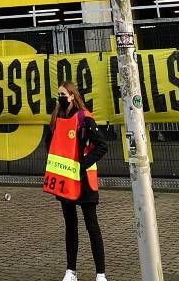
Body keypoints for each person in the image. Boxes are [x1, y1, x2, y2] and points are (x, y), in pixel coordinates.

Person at [43, 82, 108, 281]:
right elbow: (49, 143)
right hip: (65, 180)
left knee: (92, 226)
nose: (60, 97)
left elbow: (102, 146)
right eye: (59, 94)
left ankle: (100, 274)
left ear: (72, 96)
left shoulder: (84, 118)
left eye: (63, 94)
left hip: (84, 181)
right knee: (70, 226)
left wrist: (82, 164)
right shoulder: (56, 118)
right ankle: (71, 271)